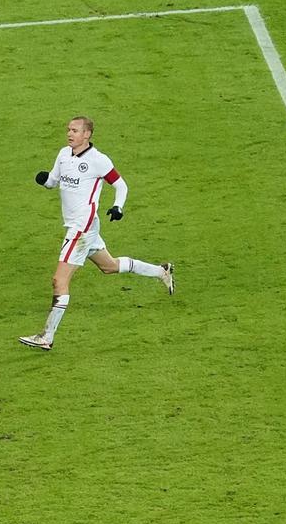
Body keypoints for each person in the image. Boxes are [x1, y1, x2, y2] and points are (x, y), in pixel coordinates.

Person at [18, 116, 174, 351]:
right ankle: (162, 272)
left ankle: (46, 336)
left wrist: (118, 206)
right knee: (109, 266)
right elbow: (54, 181)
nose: (70, 134)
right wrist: (44, 180)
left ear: (87, 134)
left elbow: (121, 185)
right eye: (69, 129)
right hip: (84, 227)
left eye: (75, 130)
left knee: (59, 281)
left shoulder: (98, 161)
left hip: (82, 227)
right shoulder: (63, 154)